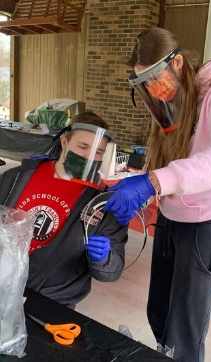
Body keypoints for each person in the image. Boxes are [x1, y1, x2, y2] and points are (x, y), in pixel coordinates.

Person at [102, 27, 211, 362]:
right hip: (172, 221)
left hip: (207, 226)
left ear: (178, 63)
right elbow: (173, 162)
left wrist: (154, 182)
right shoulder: (173, 101)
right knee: (160, 312)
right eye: (145, 84)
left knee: (185, 329)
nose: (154, 90)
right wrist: (141, 183)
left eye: (155, 79)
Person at [0, 112, 127, 308]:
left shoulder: (103, 203)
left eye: (98, 151)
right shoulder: (16, 177)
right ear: (64, 141)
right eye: (83, 146)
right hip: (4, 282)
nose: (89, 156)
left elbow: (112, 271)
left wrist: (104, 259)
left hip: (53, 299)